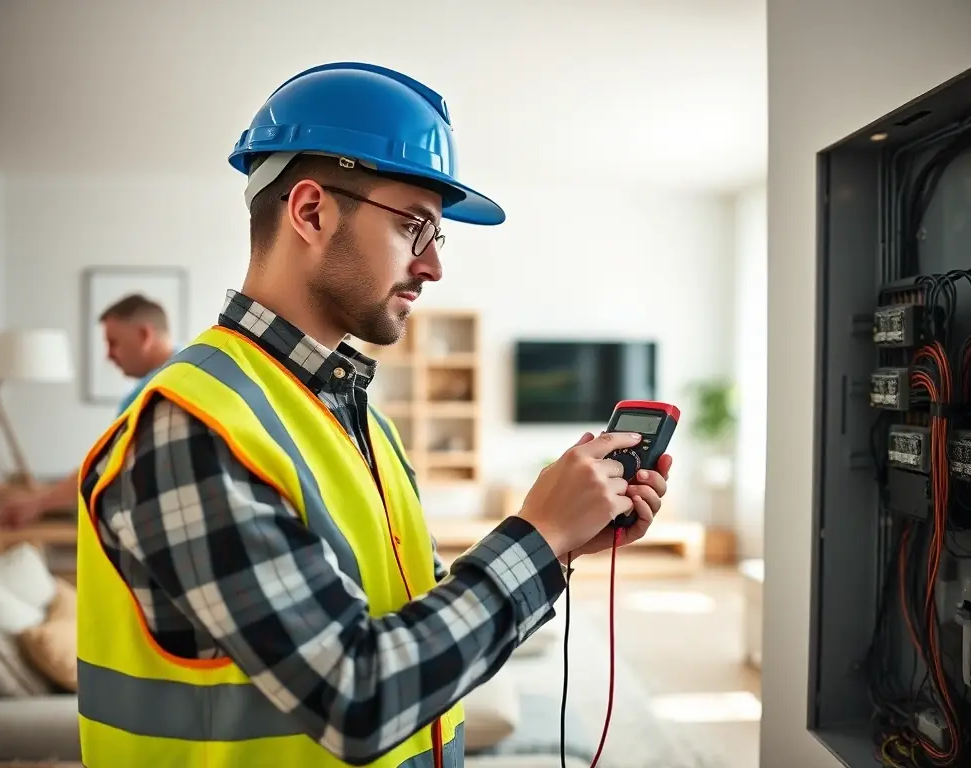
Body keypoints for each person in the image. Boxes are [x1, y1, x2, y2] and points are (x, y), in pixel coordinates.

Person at [75, 62, 674, 768]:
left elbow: (407, 620)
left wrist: (563, 544)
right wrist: (537, 537)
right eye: (414, 226)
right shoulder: (191, 426)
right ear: (310, 212)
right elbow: (356, 695)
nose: (434, 266)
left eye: (437, 236)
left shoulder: (357, 416)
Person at [0, 294, 176, 528]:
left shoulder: (151, 395)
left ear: (144, 335)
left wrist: (37, 504)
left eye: (113, 342)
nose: (109, 355)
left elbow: (104, 466)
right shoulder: (185, 375)